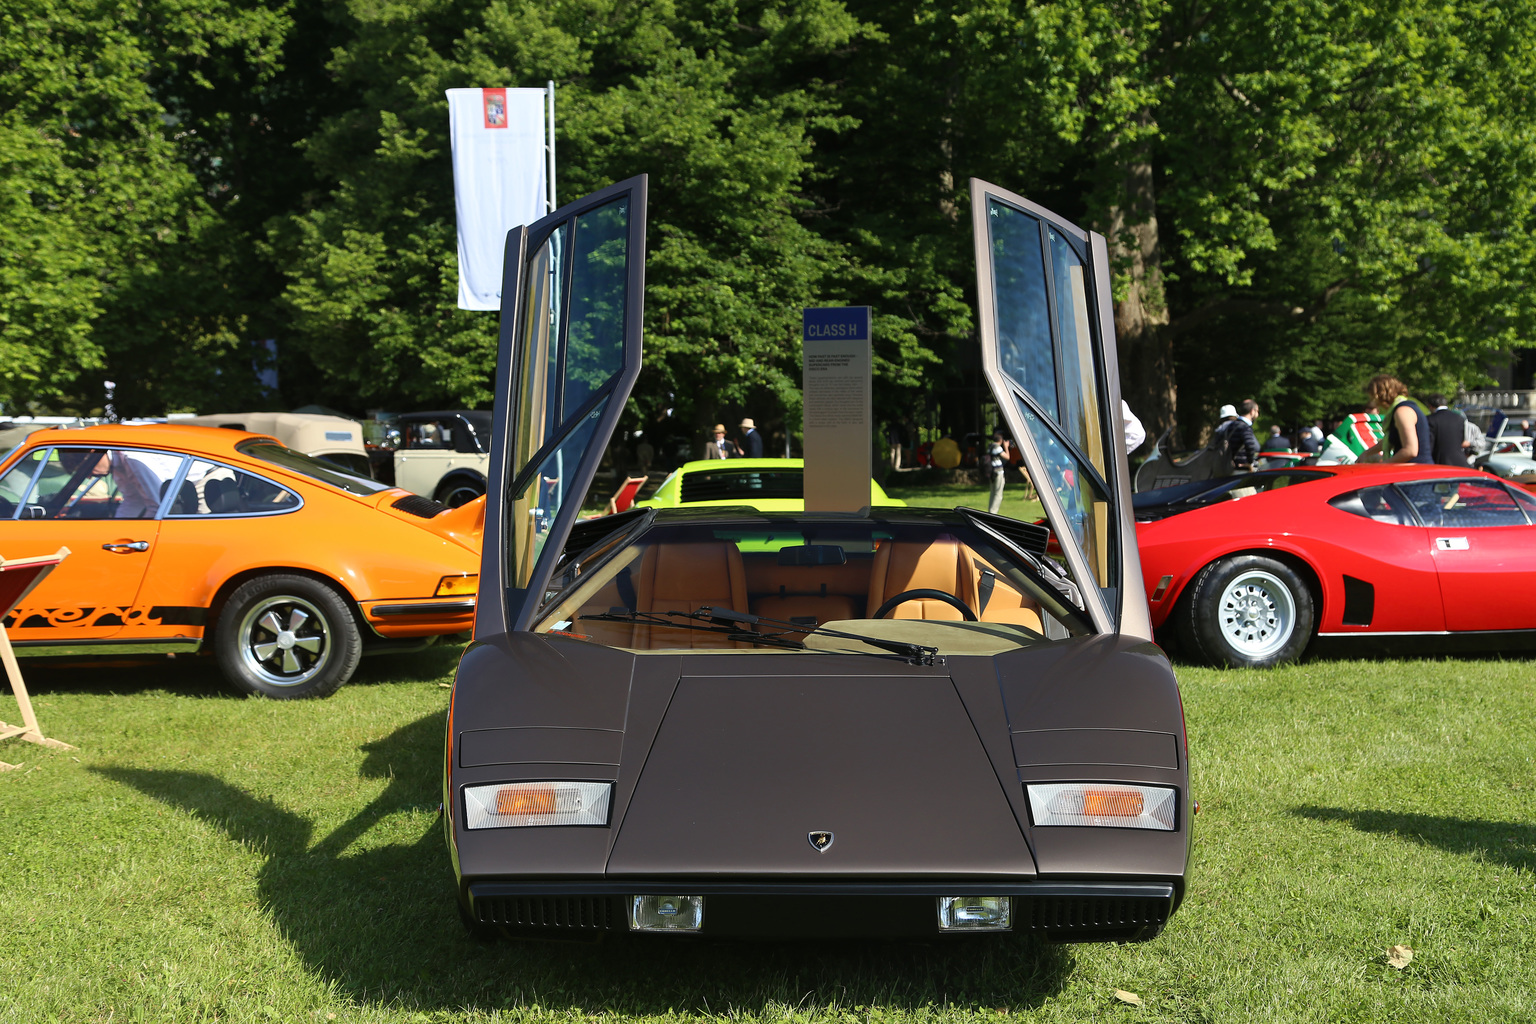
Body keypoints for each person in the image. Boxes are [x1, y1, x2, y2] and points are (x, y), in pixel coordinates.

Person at [1358, 374, 1431, 464]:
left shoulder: (1402, 411)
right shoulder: (1401, 408)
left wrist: (1382, 466)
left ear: (1379, 394)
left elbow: (1410, 451)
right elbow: (1389, 440)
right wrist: (1366, 454)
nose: (1373, 401)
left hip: (1417, 471)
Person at [1425, 394, 1471, 467]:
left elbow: (1429, 445)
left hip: (1440, 463)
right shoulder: (1459, 418)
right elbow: (1461, 441)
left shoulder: (1430, 419)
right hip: (1460, 462)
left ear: (1430, 406)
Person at [1213, 400, 1260, 471]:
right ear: (1252, 411)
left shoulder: (1230, 426)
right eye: (1257, 411)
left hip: (1228, 466)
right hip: (1241, 468)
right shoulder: (1245, 427)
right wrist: (1250, 463)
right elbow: (1250, 446)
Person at [986, 432, 1011, 514]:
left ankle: (990, 511)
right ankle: (993, 512)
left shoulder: (990, 446)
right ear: (1000, 440)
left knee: (993, 492)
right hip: (998, 473)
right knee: (998, 494)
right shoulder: (997, 447)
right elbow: (1007, 457)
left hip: (991, 472)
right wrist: (1006, 447)